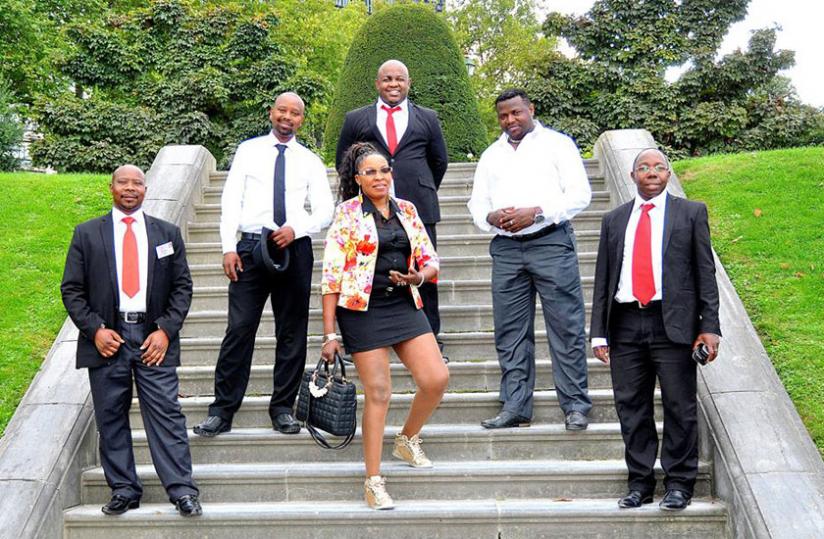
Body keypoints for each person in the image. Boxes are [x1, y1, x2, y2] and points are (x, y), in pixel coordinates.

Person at [61, 165, 201, 517]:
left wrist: (166, 330)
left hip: (154, 339)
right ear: (111, 188)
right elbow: (72, 290)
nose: (130, 188)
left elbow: (183, 287)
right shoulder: (87, 234)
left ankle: (182, 490)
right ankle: (124, 489)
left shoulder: (166, 233)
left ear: (145, 188)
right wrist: (95, 330)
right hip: (108, 339)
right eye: (122, 182)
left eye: (136, 183)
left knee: (167, 415)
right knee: (110, 418)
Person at [193, 92, 334, 437]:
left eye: (295, 113)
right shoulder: (248, 150)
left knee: (292, 331)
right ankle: (222, 410)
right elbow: (230, 201)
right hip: (251, 247)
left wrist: (296, 229)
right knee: (239, 328)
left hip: (293, 247)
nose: (288, 117)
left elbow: (325, 210)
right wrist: (229, 248)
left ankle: (283, 408)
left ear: (302, 119)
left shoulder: (310, 161)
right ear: (271, 113)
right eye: (282, 110)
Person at [590, 148, 721, 511]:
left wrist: (709, 327)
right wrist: (599, 332)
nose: (651, 172)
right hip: (626, 322)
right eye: (643, 167)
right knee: (631, 406)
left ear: (668, 173)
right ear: (633, 176)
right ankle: (640, 483)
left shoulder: (690, 213)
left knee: (680, 406)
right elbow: (604, 279)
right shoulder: (614, 220)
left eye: (658, 167)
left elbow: (704, 273)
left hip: (674, 324)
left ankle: (679, 484)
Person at [321, 142, 449, 510]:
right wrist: (330, 334)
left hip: (404, 303)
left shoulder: (407, 209)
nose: (379, 177)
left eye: (384, 170)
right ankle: (373, 481)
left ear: (392, 174)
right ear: (358, 179)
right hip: (362, 310)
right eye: (370, 172)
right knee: (379, 393)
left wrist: (417, 278)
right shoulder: (347, 214)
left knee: (436, 378)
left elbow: (430, 259)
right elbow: (331, 277)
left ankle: (407, 439)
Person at [467, 89, 593, 431]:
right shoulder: (491, 155)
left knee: (565, 327)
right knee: (509, 331)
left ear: (530, 110)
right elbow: (476, 205)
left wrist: (536, 213)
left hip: (551, 242)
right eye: (504, 116)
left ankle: (575, 405)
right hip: (507, 250)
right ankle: (515, 405)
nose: (510, 121)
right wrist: (490, 217)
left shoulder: (558, 144)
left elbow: (581, 194)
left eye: (516, 113)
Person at [335, 59, 448, 357]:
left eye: (399, 79)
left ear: (409, 83)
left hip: (417, 208)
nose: (393, 84)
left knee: (425, 273)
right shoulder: (356, 118)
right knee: (365, 269)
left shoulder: (428, 118)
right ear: (377, 83)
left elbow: (439, 161)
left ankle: (431, 338)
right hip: (370, 211)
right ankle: (366, 337)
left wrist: (419, 188)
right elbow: (344, 162)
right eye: (387, 79)